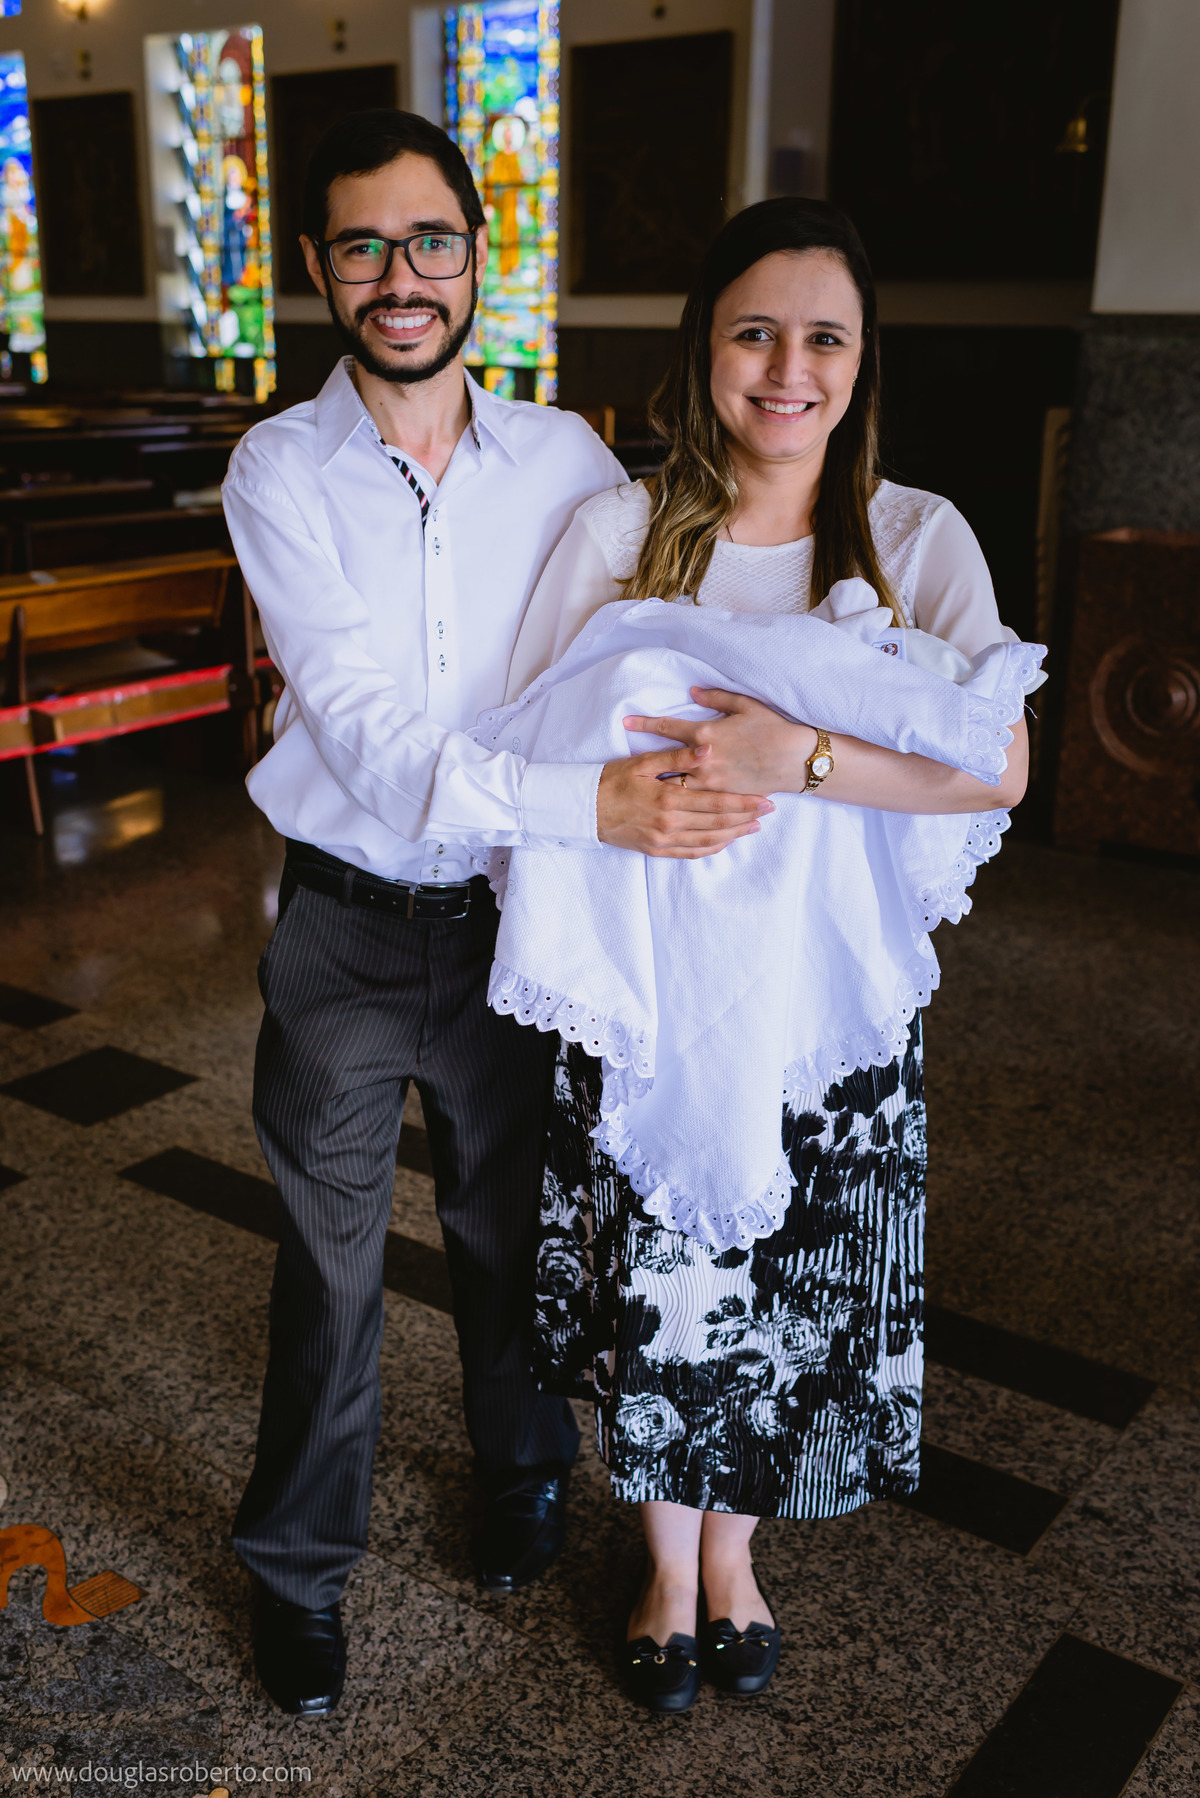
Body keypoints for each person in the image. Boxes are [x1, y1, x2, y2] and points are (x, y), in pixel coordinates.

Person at [221, 109, 766, 1718]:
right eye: (367, 247)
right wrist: (582, 801)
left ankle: (524, 1471)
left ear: (480, 255)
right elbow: (370, 733)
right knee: (329, 1261)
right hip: (345, 921)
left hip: (520, 918)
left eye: (433, 241)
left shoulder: (571, 465)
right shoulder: (279, 468)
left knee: (507, 1232)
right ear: (320, 268)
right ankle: (298, 1566)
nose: (404, 277)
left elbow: (643, 658)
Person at [494, 197, 1036, 1712]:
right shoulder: (619, 530)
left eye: (823, 337)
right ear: (703, 349)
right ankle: (668, 1565)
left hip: (829, 1012)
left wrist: (794, 750)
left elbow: (996, 766)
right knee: (667, 1283)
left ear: (861, 363)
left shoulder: (917, 536)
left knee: (795, 1291)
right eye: (753, 330)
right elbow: (532, 743)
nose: (785, 368)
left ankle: (736, 1551)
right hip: (656, 989)